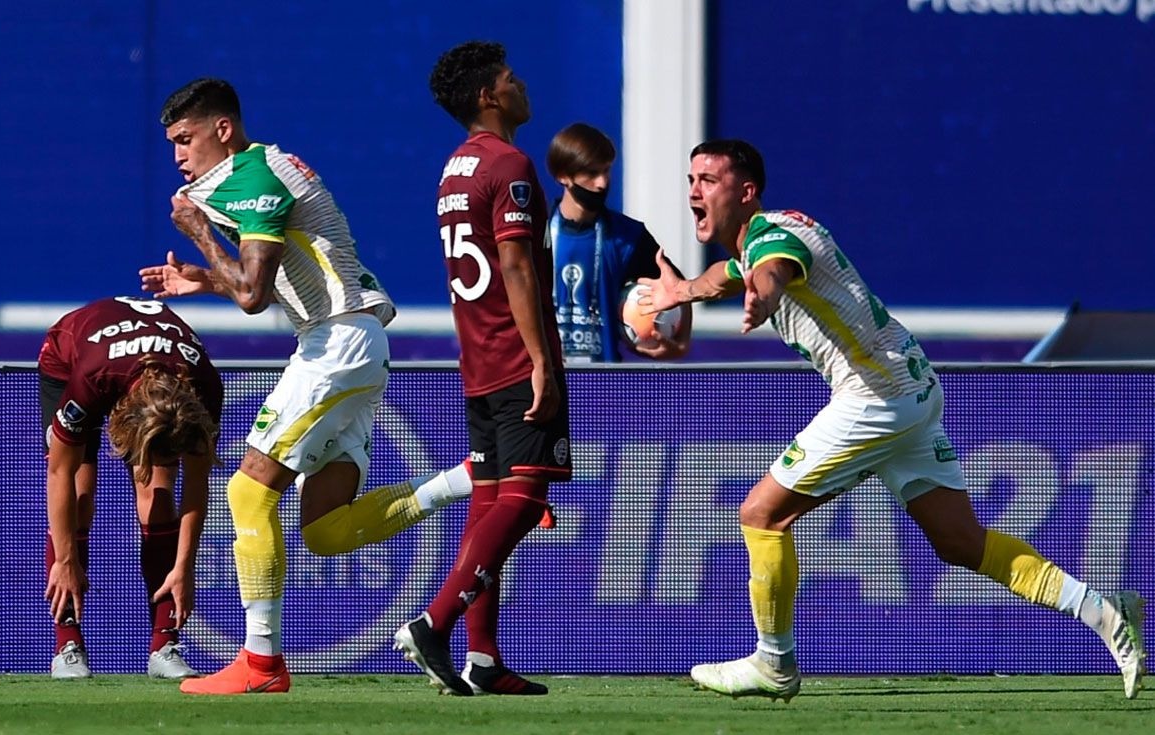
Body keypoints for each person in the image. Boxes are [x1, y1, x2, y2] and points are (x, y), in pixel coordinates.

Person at [638, 139, 1147, 700]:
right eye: (691, 180)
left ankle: (773, 663)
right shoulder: (762, 236)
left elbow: (771, 270)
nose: (694, 191)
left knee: (761, 515)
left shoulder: (774, 240)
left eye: (708, 181)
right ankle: (1103, 610)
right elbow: (730, 273)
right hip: (911, 389)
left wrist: (764, 292)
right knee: (960, 541)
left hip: (875, 398)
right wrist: (684, 290)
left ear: (746, 191)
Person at [139, 78, 473, 695]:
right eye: (172, 145)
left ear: (222, 129)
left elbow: (253, 295)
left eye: (186, 139)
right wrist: (205, 279)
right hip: (352, 342)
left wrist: (199, 232)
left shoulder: (251, 178)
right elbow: (268, 280)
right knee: (324, 529)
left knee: (247, 492)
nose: (179, 157)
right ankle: (474, 479)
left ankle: (260, 663)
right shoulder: (261, 167)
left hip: (336, 344)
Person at [392, 40, 571, 697]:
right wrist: (542, 360)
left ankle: (484, 657)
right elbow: (516, 265)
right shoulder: (509, 163)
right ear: (488, 96)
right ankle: (434, 624)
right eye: (511, 78)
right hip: (514, 354)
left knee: (491, 499)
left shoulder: (454, 169)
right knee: (524, 500)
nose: (523, 85)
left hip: (477, 356)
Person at [39, 296, 223, 680]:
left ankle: (164, 645)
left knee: (158, 494)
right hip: (71, 358)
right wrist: (66, 560)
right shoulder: (91, 379)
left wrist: (184, 567)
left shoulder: (204, 390)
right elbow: (59, 472)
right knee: (80, 495)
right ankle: (67, 645)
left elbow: (196, 482)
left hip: (154, 379)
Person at [546, 122, 691, 362]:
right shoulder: (534, 232)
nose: (602, 183)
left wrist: (681, 344)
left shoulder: (628, 236)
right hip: (546, 378)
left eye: (606, 171)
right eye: (591, 173)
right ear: (563, 176)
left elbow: (679, 288)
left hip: (604, 378)